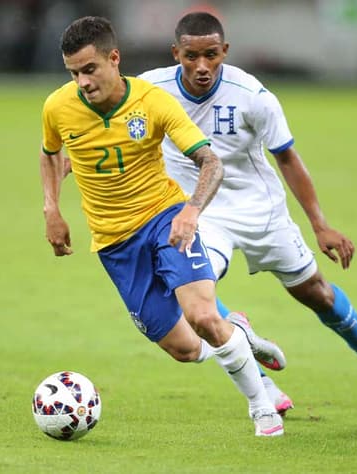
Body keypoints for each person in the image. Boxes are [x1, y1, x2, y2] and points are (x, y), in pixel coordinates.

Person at [139, 12, 357, 409]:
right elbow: (110, 114)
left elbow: (287, 158)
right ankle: (262, 383)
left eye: (211, 55)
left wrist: (320, 225)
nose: (201, 67)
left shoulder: (253, 96)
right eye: (191, 56)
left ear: (225, 51)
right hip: (201, 213)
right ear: (176, 53)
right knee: (194, 302)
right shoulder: (151, 89)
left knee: (318, 295)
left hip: (260, 210)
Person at [39, 16, 284, 436]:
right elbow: (50, 153)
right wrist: (51, 209)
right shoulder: (58, 106)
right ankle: (238, 334)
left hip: (165, 219)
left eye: (90, 69)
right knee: (186, 349)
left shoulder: (152, 102)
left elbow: (211, 162)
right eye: (74, 72)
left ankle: (263, 408)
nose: (82, 81)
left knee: (203, 315)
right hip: (114, 244)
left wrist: (190, 211)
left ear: (114, 59)